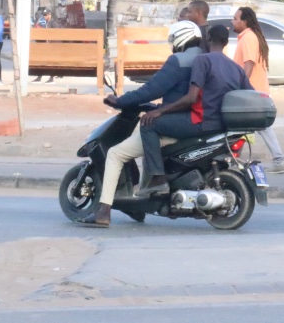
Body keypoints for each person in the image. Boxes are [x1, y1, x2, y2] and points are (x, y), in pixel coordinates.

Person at [76, 21, 204, 227]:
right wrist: (156, 107)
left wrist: (122, 100)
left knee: (116, 153)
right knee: (147, 137)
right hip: (195, 121)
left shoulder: (178, 61)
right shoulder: (205, 58)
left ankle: (103, 211)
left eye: (173, 41)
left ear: (181, 38)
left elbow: (153, 88)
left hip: (175, 125)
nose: (172, 46)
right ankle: (140, 202)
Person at [137, 25, 253, 196]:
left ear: (208, 39)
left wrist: (160, 111)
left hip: (202, 121)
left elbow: (191, 98)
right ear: (226, 42)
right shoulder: (236, 68)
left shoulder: (203, 60)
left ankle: (157, 178)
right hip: (223, 126)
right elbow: (249, 95)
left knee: (149, 124)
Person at [233, 7, 284, 174]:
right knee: (241, 126)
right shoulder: (249, 36)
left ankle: (279, 160)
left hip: (251, 92)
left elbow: (249, 64)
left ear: (244, 21)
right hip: (255, 91)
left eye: (235, 19)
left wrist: (240, 88)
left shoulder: (248, 38)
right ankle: (234, 160)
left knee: (260, 127)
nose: (233, 21)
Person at [32, 9, 56, 84]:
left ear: (49, 15)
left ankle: (51, 78)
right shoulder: (44, 23)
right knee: (42, 62)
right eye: (44, 15)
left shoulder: (53, 23)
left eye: (46, 15)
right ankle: (39, 77)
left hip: (51, 46)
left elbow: (57, 34)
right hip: (45, 46)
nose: (44, 16)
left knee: (51, 63)